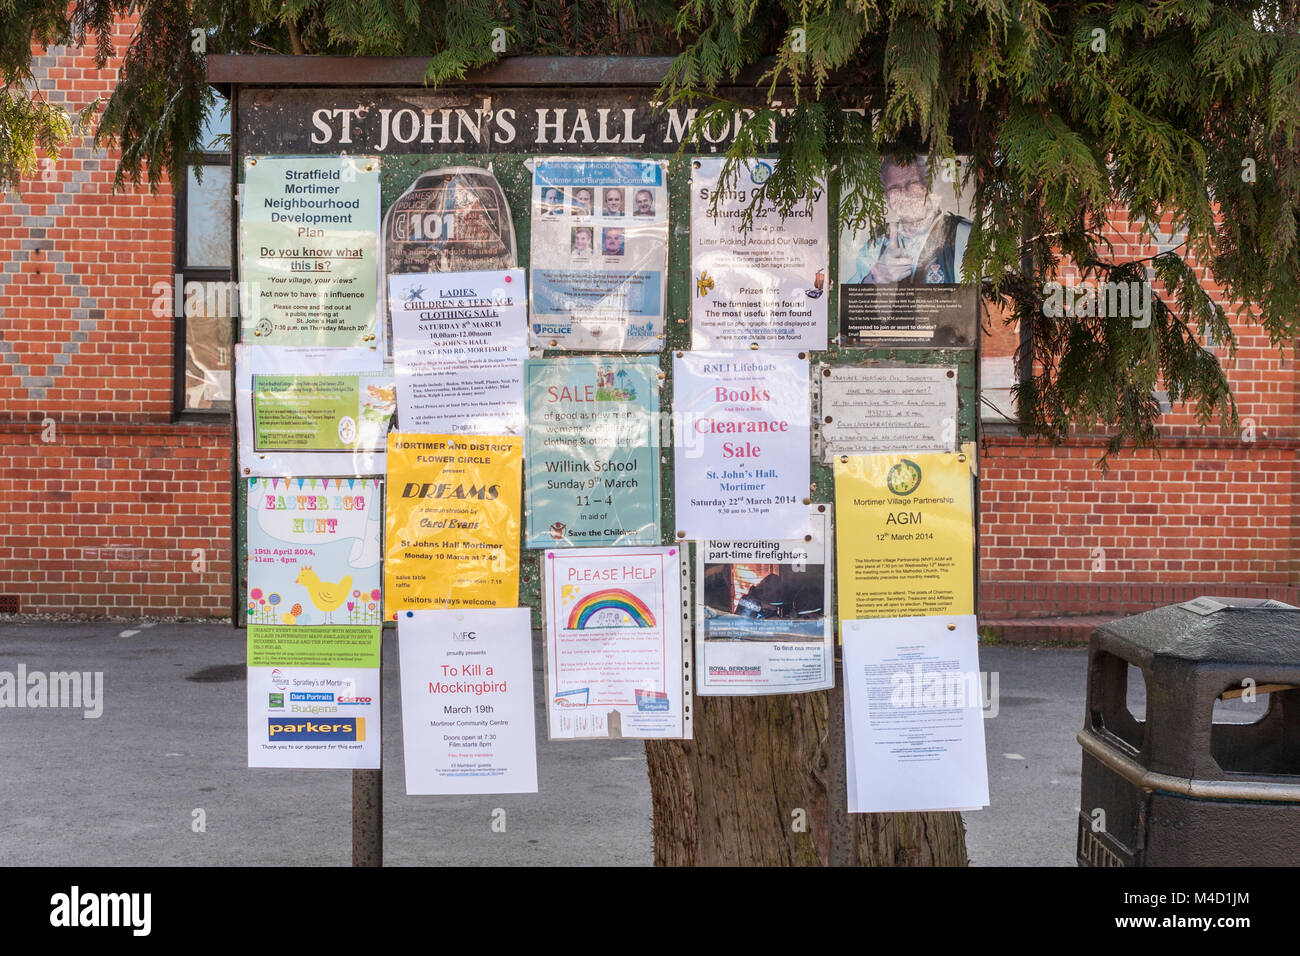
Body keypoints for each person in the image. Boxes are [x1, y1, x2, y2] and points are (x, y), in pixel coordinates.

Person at [847, 157, 971, 285]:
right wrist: (875, 278)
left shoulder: (964, 235)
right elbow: (846, 300)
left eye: (912, 183)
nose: (904, 193)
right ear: (886, 197)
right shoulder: (877, 244)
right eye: (894, 188)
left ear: (928, 186)